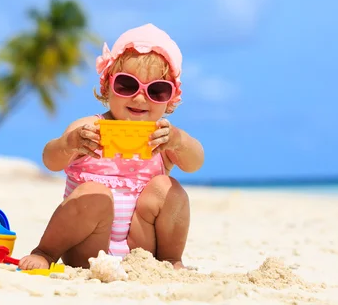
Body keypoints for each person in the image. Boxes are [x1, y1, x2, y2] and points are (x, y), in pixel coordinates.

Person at [18, 23, 205, 271]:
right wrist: (69, 143)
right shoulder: (88, 128)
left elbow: (195, 163)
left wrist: (179, 141)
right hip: (87, 247)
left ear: (170, 99)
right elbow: (50, 160)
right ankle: (45, 251)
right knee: (95, 193)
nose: (139, 98)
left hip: (141, 251)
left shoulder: (162, 137)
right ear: (107, 85)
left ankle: (171, 260)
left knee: (168, 188)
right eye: (127, 85)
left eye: (156, 90)